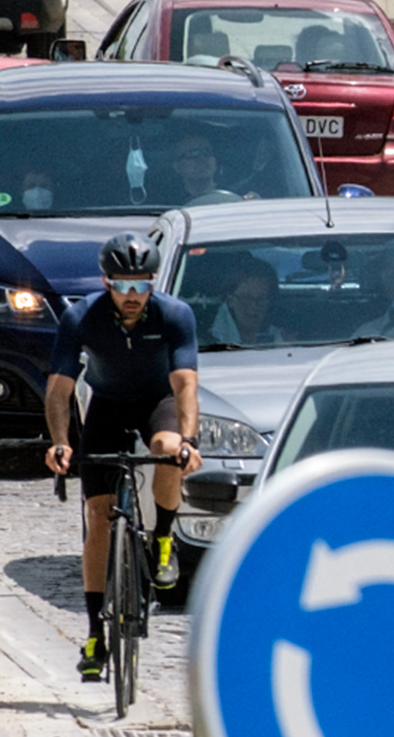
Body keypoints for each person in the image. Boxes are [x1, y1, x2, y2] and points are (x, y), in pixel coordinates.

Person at [43, 233, 202, 681]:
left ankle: (163, 539)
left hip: (157, 401)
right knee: (98, 517)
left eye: (142, 285)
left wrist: (189, 440)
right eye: (123, 286)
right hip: (108, 405)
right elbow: (59, 389)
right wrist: (60, 442)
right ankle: (95, 633)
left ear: (153, 284)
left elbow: (185, 383)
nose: (133, 295)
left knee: (166, 451)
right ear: (106, 283)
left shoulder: (174, 314)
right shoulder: (81, 317)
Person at [209, 260, 285, 346]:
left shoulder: (287, 342)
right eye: (246, 298)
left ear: (270, 302)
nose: (254, 305)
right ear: (230, 300)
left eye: (261, 299)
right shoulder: (205, 344)